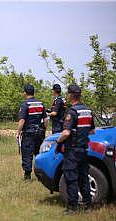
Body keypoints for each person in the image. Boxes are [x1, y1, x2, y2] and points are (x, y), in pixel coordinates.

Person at [55, 84, 95, 215]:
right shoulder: (88, 111)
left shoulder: (72, 112)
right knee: (84, 178)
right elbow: (92, 131)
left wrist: (58, 141)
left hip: (72, 150)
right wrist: (81, 135)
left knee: (71, 178)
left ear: (71, 95)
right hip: (83, 150)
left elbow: (66, 133)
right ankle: (88, 205)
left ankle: (72, 207)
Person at [16, 84, 48, 180]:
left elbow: (22, 121)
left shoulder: (25, 104)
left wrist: (18, 132)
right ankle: (41, 176)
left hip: (29, 133)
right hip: (40, 132)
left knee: (27, 154)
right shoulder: (40, 104)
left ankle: (27, 176)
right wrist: (43, 129)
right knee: (39, 154)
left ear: (25, 93)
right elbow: (46, 120)